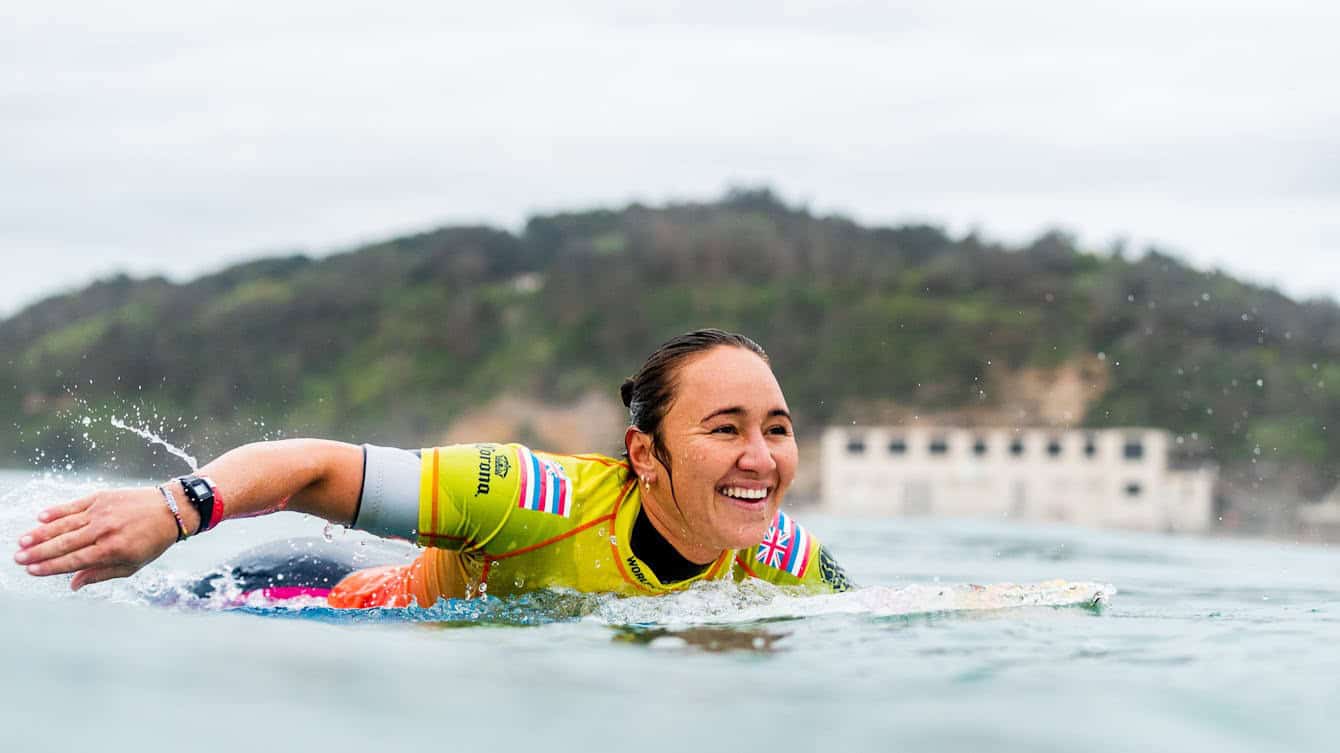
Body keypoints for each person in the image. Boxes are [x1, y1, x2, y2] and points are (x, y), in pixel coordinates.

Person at [14, 329, 851, 605]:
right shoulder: (532, 495)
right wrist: (173, 510)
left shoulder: (787, 560)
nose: (760, 457)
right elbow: (313, 467)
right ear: (646, 454)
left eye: (777, 429)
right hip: (304, 594)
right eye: (725, 428)